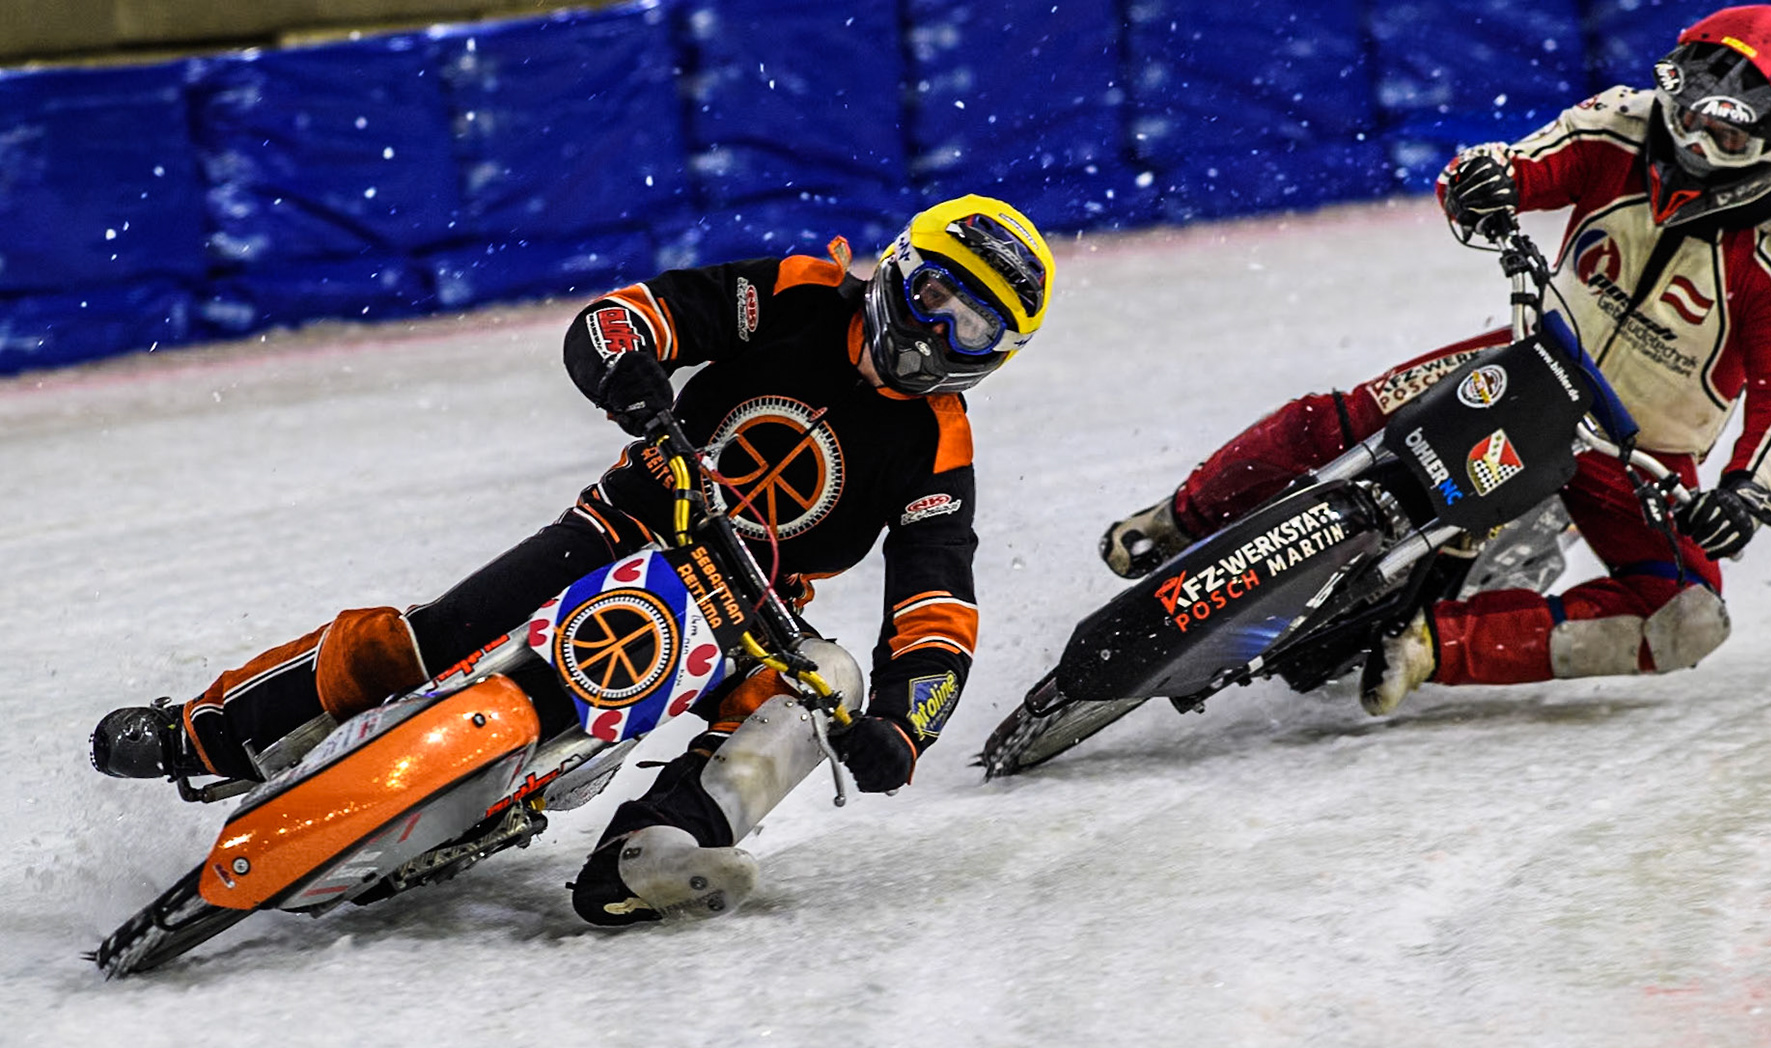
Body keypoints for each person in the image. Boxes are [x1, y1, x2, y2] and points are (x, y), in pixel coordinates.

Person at [89, 193, 1054, 925]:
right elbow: (628, 319)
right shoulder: (800, 293)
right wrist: (636, 383)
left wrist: (904, 723)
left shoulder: (940, 441)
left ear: (995, 354)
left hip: (751, 607)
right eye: (935, 296)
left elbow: (939, 606)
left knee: (822, 683)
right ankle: (206, 731)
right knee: (426, 640)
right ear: (897, 268)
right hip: (634, 515)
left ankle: (654, 846)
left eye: (971, 327)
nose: (937, 334)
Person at [1101, 4, 1771, 715]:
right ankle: (1178, 519)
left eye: (1728, 139)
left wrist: (1747, 494)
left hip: (1638, 453)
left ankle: (1434, 646)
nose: (1695, 148)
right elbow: (1512, 164)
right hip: (1533, 364)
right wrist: (1484, 186)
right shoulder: (1622, 122)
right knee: (1348, 419)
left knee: (1689, 620)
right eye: (1688, 114)